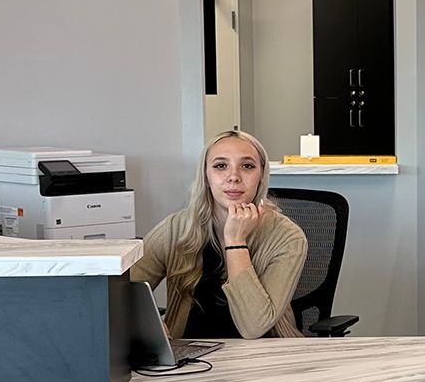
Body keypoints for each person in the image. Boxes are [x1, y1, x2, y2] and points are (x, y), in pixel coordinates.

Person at [131, 129, 307, 339]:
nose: (233, 177)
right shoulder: (177, 228)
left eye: (247, 166)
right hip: (191, 357)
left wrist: (235, 242)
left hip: (264, 358)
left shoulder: (288, 238)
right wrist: (148, 322)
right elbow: (119, 291)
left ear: (261, 176)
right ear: (206, 176)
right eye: (220, 166)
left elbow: (253, 328)